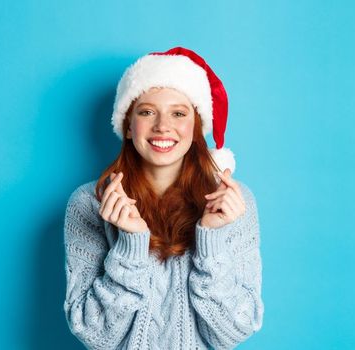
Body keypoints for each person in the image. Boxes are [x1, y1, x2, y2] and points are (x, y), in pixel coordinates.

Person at [62, 47, 264, 349]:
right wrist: (130, 247)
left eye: (179, 113)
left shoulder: (232, 203)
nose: (162, 126)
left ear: (195, 128)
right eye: (146, 112)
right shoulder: (88, 204)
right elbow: (95, 335)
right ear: (128, 126)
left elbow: (234, 332)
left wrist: (210, 241)